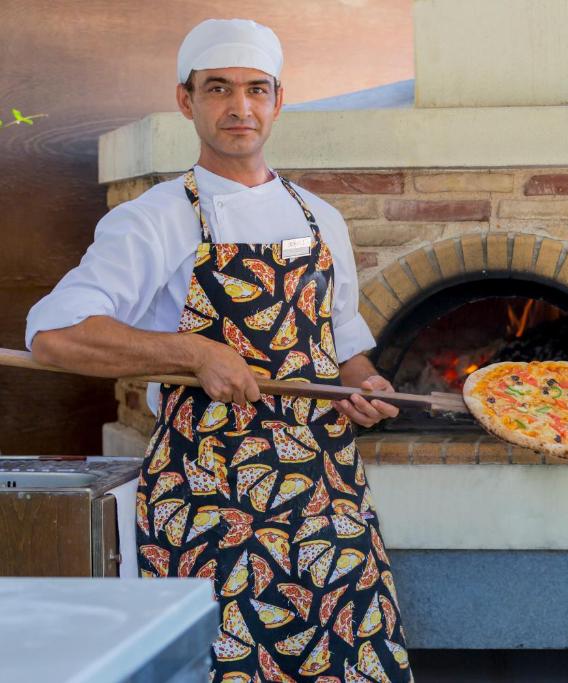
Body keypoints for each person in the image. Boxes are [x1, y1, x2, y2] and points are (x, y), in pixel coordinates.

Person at [26, 18, 413, 682]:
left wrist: (364, 386)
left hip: (325, 495)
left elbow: (345, 346)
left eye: (257, 89)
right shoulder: (154, 218)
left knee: (348, 661)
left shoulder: (322, 219)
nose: (240, 107)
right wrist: (191, 351)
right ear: (187, 101)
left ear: (278, 99)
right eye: (219, 89)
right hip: (208, 498)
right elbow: (54, 333)